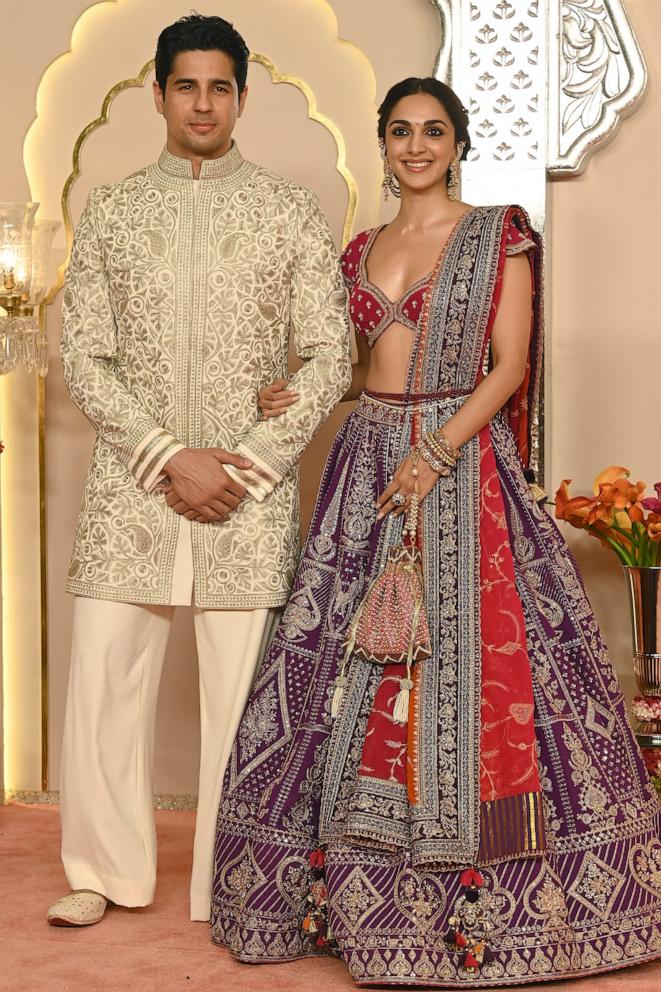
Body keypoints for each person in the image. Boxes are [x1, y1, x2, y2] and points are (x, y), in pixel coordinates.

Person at [210, 77, 661, 985]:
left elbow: (508, 365)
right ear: (381, 145)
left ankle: (495, 906)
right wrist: (295, 393)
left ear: (456, 144)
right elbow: (349, 367)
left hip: (460, 464)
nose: (415, 146)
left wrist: (437, 451)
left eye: (433, 132)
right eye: (399, 132)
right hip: (364, 461)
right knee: (335, 662)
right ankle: (339, 894)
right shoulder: (358, 250)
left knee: (477, 663)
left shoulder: (498, 235)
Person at [47, 14, 351, 928]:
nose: (204, 102)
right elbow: (84, 355)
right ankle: (101, 871)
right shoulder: (112, 208)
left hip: (244, 497)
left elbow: (328, 355)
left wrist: (248, 466)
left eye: (221, 86)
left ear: (243, 98)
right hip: (133, 486)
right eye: (188, 86)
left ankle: (227, 878)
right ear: (159, 95)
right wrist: (168, 457)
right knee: (102, 678)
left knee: (241, 696)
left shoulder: (288, 209)